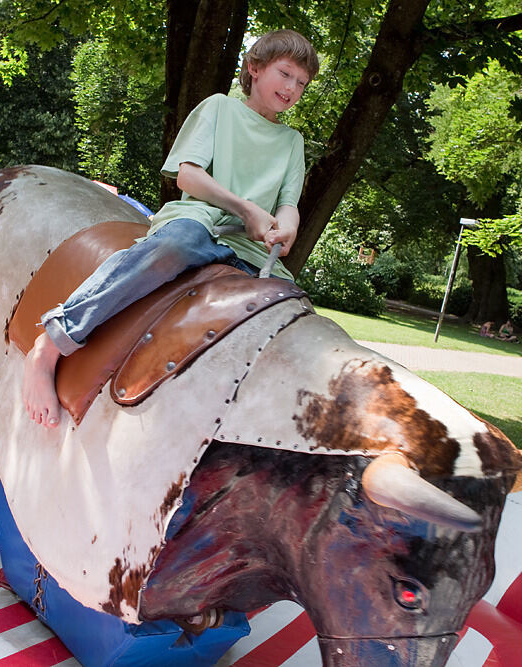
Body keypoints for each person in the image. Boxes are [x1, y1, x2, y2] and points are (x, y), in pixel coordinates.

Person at [22, 30, 319, 428]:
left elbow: (287, 205)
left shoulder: (291, 141)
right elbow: (188, 176)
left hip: (248, 246)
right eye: (285, 74)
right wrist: (244, 207)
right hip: (202, 220)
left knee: (289, 306)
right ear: (254, 68)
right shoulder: (219, 108)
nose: (292, 87)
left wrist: (287, 230)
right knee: (175, 247)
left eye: (302, 83)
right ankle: (52, 343)